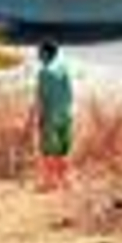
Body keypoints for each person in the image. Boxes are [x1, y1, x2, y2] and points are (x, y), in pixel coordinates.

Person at [32, 40, 74, 191]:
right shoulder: (63, 69)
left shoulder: (44, 72)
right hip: (66, 115)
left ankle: (49, 183)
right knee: (64, 151)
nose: (37, 55)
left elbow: (41, 99)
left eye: (39, 52)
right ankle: (66, 181)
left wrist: (37, 118)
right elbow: (70, 94)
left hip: (51, 116)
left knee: (48, 151)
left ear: (45, 53)